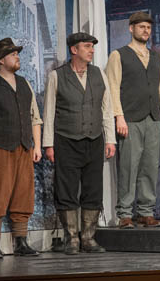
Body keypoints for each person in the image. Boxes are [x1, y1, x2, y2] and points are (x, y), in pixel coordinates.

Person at [43, 32, 116, 254]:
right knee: (66, 188)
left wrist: (110, 139)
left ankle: (88, 237)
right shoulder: (57, 76)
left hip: (94, 139)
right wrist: (48, 144)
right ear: (74, 50)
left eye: (92, 46)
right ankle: (71, 238)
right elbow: (49, 112)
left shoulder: (98, 74)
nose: (91, 50)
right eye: (87, 46)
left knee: (93, 189)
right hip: (66, 140)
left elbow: (107, 109)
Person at [0, 37, 43, 258]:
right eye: (13, 54)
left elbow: (35, 117)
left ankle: (21, 242)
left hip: (24, 147)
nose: (17, 57)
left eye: (17, 54)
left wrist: (37, 146)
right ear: (1, 60)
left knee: (23, 194)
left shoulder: (24, 84)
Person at [104, 11, 160, 229]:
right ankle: (125, 213)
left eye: (148, 27)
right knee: (129, 166)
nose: (145, 30)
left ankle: (146, 211)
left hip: (152, 117)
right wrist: (119, 116)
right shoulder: (118, 55)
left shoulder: (157, 57)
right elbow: (112, 88)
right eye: (141, 27)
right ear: (131, 29)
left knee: (150, 166)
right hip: (130, 118)